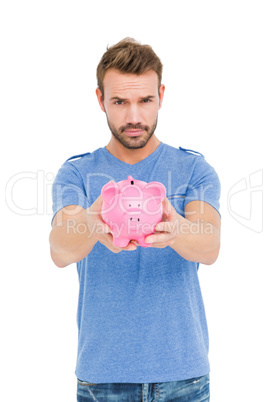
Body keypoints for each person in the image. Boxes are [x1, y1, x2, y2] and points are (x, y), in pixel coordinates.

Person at [49, 37, 221, 402]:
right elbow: (60, 250)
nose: (133, 117)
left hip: (184, 378)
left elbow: (209, 246)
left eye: (145, 101)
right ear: (100, 100)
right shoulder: (77, 173)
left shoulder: (194, 169)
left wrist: (177, 229)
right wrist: (94, 220)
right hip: (102, 379)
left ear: (161, 95)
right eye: (120, 102)